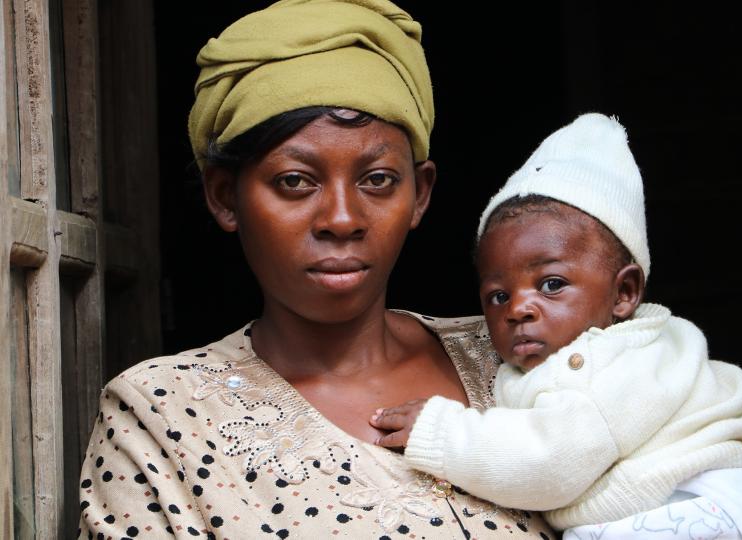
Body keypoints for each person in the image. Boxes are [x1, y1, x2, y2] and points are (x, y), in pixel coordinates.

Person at [76, 1, 557, 538]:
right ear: (224, 196)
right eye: (295, 182)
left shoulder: (527, 357)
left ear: (420, 194)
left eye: (377, 180)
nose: (342, 219)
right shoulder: (163, 419)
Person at [371, 113, 742, 539]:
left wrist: (441, 431)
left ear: (624, 292)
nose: (518, 308)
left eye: (551, 285)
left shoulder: (615, 364)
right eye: (498, 295)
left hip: (690, 512)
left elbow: (551, 461)